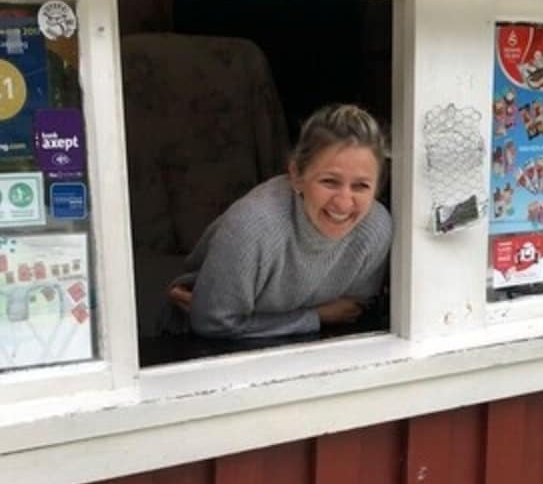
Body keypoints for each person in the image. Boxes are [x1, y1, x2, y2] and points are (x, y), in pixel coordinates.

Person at [167, 103, 392, 340]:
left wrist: (315, 319)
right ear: (296, 176)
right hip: (191, 343)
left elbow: (350, 312)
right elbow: (213, 323)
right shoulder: (252, 227)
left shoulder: (375, 228)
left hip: (306, 343)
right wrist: (314, 317)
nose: (344, 203)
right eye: (329, 181)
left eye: (361, 186)